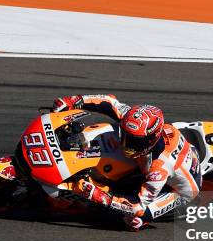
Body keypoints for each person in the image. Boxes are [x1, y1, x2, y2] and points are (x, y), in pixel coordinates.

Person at [52, 94, 202, 231]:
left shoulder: (159, 168)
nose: (126, 143)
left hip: (181, 191)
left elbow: (138, 205)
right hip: (162, 155)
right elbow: (109, 101)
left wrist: (99, 195)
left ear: (151, 140)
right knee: (108, 133)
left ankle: (143, 218)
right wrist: (75, 101)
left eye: (133, 142)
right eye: (125, 136)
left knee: (133, 220)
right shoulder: (135, 122)